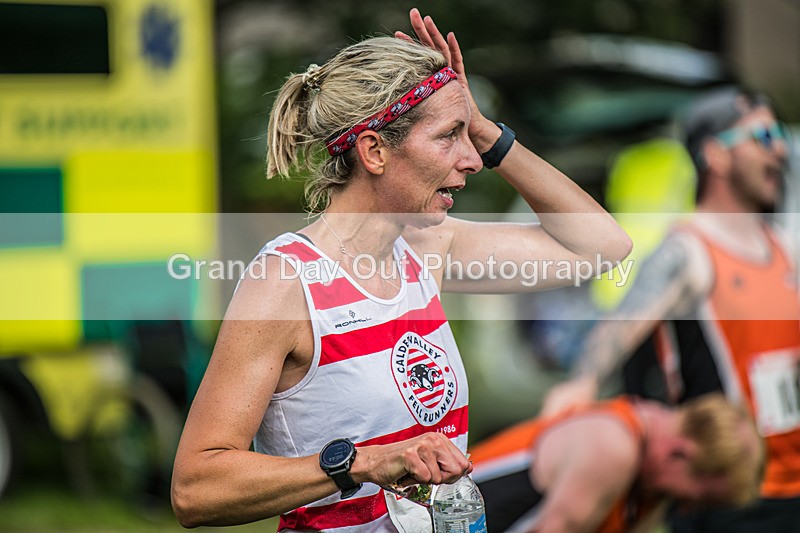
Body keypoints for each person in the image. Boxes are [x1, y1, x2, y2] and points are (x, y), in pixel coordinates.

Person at [171, 8, 631, 532]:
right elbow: (196, 488)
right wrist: (365, 461)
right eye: (448, 136)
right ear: (374, 151)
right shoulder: (285, 283)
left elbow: (603, 247)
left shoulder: (427, 249)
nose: (472, 159)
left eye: (468, 137)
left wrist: (484, 129)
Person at [542, 87, 800, 531]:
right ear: (716, 155)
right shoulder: (688, 250)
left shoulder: (781, 247)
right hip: (729, 491)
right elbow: (619, 327)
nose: (779, 148)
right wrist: (582, 382)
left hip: (792, 487)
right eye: (763, 136)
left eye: (778, 134)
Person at [470, 394, 763, 533]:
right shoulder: (613, 448)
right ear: (679, 454)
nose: (686, 508)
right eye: (698, 498)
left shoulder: (644, 482)